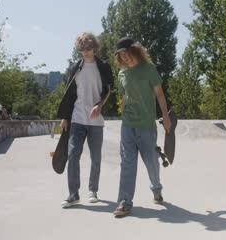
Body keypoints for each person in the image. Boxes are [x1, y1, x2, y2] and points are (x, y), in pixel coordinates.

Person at [113, 37, 171, 217]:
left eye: (127, 53)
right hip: (128, 125)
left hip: (146, 125)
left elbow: (159, 94)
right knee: (127, 163)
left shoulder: (149, 69)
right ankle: (124, 202)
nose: (125, 57)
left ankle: (156, 189)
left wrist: (165, 116)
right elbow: (124, 96)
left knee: (152, 162)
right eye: (121, 55)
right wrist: (121, 110)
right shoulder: (122, 74)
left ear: (135, 51)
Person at [56, 32, 113, 208]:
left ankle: (93, 190)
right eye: (81, 49)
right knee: (73, 155)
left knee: (96, 157)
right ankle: (73, 194)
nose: (85, 52)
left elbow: (108, 89)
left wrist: (100, 105)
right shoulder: (75, 68)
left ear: (94, 48)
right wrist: (65, 117)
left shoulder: (103, 66)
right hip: (77, 118)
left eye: (88, 48)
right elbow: (69, 93)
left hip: (96, 121)